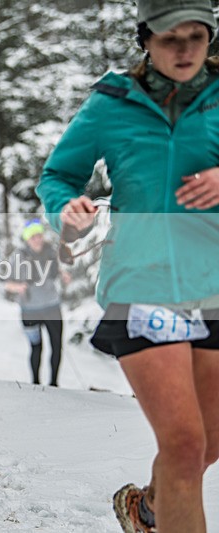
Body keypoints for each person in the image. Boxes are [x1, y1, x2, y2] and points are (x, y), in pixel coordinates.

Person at [36, 1, 219, 530]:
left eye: (196, 36)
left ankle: (146, 509)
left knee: (207, 446)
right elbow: (58, 176)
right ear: (145, 39)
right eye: (169, 38)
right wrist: (66, 212)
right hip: (141, 284)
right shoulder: (112, 104)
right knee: (184, 446)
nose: (184, 50)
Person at [4, 220, 69, 387]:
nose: (37, 239)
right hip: (30, 310)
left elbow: (57, 270)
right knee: (36, 347)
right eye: (33, 236)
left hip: (52, 307)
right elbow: (6, 283)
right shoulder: (18, 256)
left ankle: (54, 383)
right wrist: (17, 286)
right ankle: (35, 383)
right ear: (27, 239)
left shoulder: (51, 251)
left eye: (39, 235)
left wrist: (64, 275)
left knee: (56, 346)